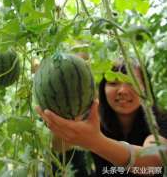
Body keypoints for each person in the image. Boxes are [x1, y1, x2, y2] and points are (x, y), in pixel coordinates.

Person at [36, 59, 167, 176]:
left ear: (146, 87)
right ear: (102, 89)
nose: (122, 90)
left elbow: (152, 162)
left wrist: (96, 142)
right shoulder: (93, 120)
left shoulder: (161, 121)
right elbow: (63, 152)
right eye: (113, 83)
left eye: (131, 82)